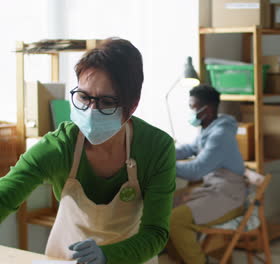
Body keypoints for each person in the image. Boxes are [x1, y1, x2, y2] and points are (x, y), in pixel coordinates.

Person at [0, 38, 175, 264]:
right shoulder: (59, 146)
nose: (91, 111)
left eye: (105, 102)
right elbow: (6, 194)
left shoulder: (156, 148)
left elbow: (155, 233)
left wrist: (106, 256)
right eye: (83, 97)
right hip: (67, 259)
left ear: (132, 106)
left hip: (132, 258)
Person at [166, 84, 246, 264]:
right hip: (213, 189)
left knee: (174, 220)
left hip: (228, 196)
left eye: (192, 108)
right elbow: (190, 149)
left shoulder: (220, 135)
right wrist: (163, 153)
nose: (190, 112)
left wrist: (164, 165)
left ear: (207, 110)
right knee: (164, 208)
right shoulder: (208, 128)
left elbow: (196, 170)